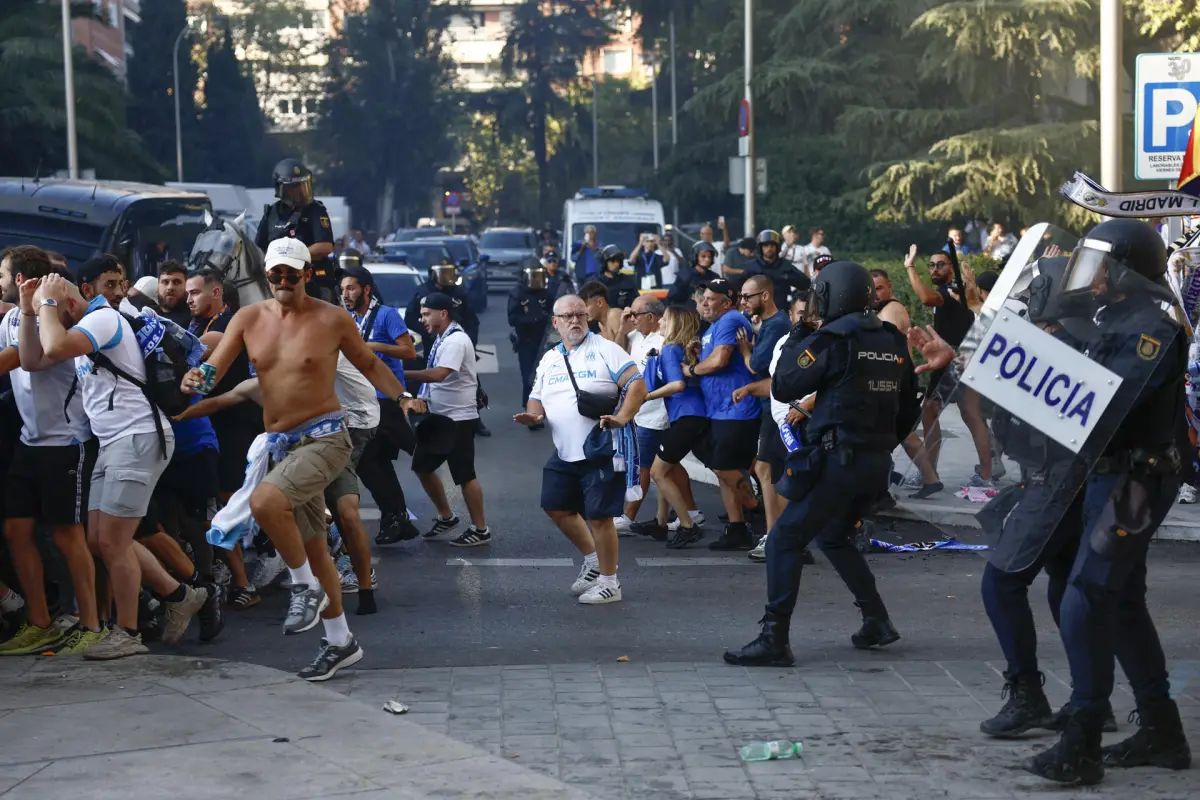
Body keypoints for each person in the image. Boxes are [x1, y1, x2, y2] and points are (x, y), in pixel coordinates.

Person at [182, 237, 416, 680]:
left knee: (265, 502)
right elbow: (215, 370)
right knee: (314, 548)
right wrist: (197, 377)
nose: (285, 281)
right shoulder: (248, 319)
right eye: (277, 274)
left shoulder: (332, 319)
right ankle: (340, 642)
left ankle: (304, 588)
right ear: (266, 275)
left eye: (294, 273)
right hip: (283, 443)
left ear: (308, 274)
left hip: (328, 438)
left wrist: (402, 395)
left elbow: (368, 364)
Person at [1021, 220, 1192, 785]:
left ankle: (1084, 740)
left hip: (1137, 482)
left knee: (1086, 599)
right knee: (1120, 603)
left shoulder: (1154, 326)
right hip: (1107, 476)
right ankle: (1163, 732)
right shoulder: (1111, 317)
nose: (1089, 276)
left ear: (1124, 269)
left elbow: (1108, 399)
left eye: (1101, 265)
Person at [724, 261, 916, 668]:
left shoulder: (832, 339)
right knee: (834, 537)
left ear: (828, 296)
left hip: (838, 459)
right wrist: (879, 443)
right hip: (874, 462)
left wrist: (798, 334)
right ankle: (876, 620)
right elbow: (909, 406)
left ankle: (774, 637)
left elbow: (785, 384)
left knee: (783, 541)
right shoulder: (891, 340)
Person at [29, 271, 210, 659]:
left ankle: (127, 633)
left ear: (72, 303)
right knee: (101, 540)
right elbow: (33, 358)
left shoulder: (102, 318)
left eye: (56, 312)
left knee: (112, 541)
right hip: (115, 441)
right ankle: (179, 594)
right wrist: (34, 311)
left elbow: (55, 347)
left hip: (137, 437)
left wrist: (47, 302)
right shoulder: (84, 321)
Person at [0, 247, 104, 656]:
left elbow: (26, 360)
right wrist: (22, 311)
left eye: (3, 274)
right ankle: (39, 622)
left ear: (22, 278)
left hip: (66, 443)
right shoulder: (13, 316)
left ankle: (92, 623)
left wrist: (32, 309)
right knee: (16, 531)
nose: (0, 281)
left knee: (67, 535)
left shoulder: (55, 315)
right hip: (30, 441)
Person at [515, 294, 647, 605]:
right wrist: (535, 414)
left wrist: (621, 417)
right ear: (555, 322)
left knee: (600, 517)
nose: (575, 321)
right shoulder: (550, 358)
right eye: (568, 316)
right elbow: (536, 397)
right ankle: (592, 560)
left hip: (600, 448)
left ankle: (610, 583)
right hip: (564, 451)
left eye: (580, 315)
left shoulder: (605, 349)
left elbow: (637, 386)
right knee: (556, 506)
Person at [186, 268, 267, 605]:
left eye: (194, 292)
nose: (188, 298)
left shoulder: (220, 329)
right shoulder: (200, 324)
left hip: (236, 426)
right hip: (217, 426)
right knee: (225, 505)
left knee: (234, 503)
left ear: (216, 293)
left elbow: (191, 360)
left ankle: (245, 583)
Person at [339, 257, 421, 544]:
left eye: (351, 288)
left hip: (387, 401)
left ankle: (449, 513)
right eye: (343, 289)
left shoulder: (386, 315)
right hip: (361, 402)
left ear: (366, 290)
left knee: (421, 456)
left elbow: (409, 352)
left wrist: (373, 346)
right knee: (372, 463)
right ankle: (396, 518)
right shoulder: (346, 319)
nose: (346, 294)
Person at [903, 243, 992, 494]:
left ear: (951, 268)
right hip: (955, 358)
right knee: (945, 413)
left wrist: (910, 267)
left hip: (956, 360)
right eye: (930, 264)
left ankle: (937, 473)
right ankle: (933, 473)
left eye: (940, 264)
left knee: (957, 414)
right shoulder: (958, 290)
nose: (934, 268)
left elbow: (925, 297)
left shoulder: (952, 290)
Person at [405, 293, 491, 547]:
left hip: (458, 419)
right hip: (439, 416)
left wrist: (400, 374)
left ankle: (480, 529)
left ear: (443, 314)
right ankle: (446, 516)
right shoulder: (443, 337)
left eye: (426, 314)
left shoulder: (457, 340)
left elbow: (440, 374)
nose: (422, 320)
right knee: (422, 467)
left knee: (465, 475)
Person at [685, 279, 761, 550]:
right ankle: (737, 528)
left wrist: (690, 370)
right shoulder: (717, 325)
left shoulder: (730, 320)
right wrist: (699, 355)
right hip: (720, 410)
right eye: (703, 297)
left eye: (710, 298)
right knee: (723, 470)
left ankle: (759, 511)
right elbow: (713, 356)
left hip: (737, 410)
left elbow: (719, 361)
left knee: (723, 466)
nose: (704, 302)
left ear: (726, 303)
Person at [733, 275, 796, 552]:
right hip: (770, 405)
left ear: (766, 296)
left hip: (776, 407)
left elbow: (757, 365)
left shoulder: (777, 325)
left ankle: (775, 534)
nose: (743, 302)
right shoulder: (770, 324)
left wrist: (746, 350)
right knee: (766, 467)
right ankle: (778, 532)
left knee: (765, 468)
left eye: (748, 297)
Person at [641, 306, 708, 546]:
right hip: (692, 417)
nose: (659, 322)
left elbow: (678, 385)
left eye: (665, 319)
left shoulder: (670, 349)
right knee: (666, 469)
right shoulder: (680, 349)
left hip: (688, 417)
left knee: (658, 472)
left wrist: (646, 397)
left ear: (675, 324)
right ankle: (660, 522)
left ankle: (688, 525)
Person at [870, 269, 939, 492]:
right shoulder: (882, 309)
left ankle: (926, 479)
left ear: (889, 286)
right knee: (901, 432)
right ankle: (929, 479)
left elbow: (884, 348)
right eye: (871, 289)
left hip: (897, 379)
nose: (875, 293)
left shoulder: (892, 309)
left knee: (900, 431)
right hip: (897, 377)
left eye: (879, 288)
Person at [612, 295, 671, 537]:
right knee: (671, 469)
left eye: (635, 314)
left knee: (642, 467)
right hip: (635, 413)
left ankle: (629, 516)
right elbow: (615, 355)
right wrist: (624, 328)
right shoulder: (635, 336)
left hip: (654, 414)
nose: (631, 317)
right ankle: (683, 513)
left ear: (650, 317)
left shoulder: (663, 340)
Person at [254, 158, 337, 303]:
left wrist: (292, 257)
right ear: (281, 188)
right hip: (275, 279)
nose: (300, 191)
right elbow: (258, 249)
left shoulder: (316, 210)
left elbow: (325, 246)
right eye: (294, 187)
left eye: (302, 185)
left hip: (311, 278)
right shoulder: (271, 213)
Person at [509, 260, 555, 422]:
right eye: (532, 276)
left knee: (544, 376)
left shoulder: (546, 294)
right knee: (529, 377)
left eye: (538, 276)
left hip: (544, 342)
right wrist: (531, 319)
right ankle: (530, 411)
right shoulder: (517, 294)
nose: (535, 280)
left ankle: (542, 408)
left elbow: (552, 314)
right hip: (526, 341)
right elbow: (512, 318)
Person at [742, 230, 808, 304]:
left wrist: (787, 277)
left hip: (780, 309)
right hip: (757, 309)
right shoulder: (751, 266)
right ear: (761, 247)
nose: (769, 248)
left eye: (772, 245)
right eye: (766, 245)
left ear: (777, 247)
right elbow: (740, 288)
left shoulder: (785, 265)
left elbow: (805, 283)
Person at [667, 242, 718, 308]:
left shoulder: (714, 277)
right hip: (688, 313)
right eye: (703, 256)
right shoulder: (685, 275)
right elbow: (672, 298)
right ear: (696, 257)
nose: (707, 259)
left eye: (709, 257)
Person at [594, 245, 638, 311]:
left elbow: (636, 302)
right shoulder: (595, 283)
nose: (616, 264)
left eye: (618, 261)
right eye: (612, 261)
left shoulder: (626, 281)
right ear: (605, 263)